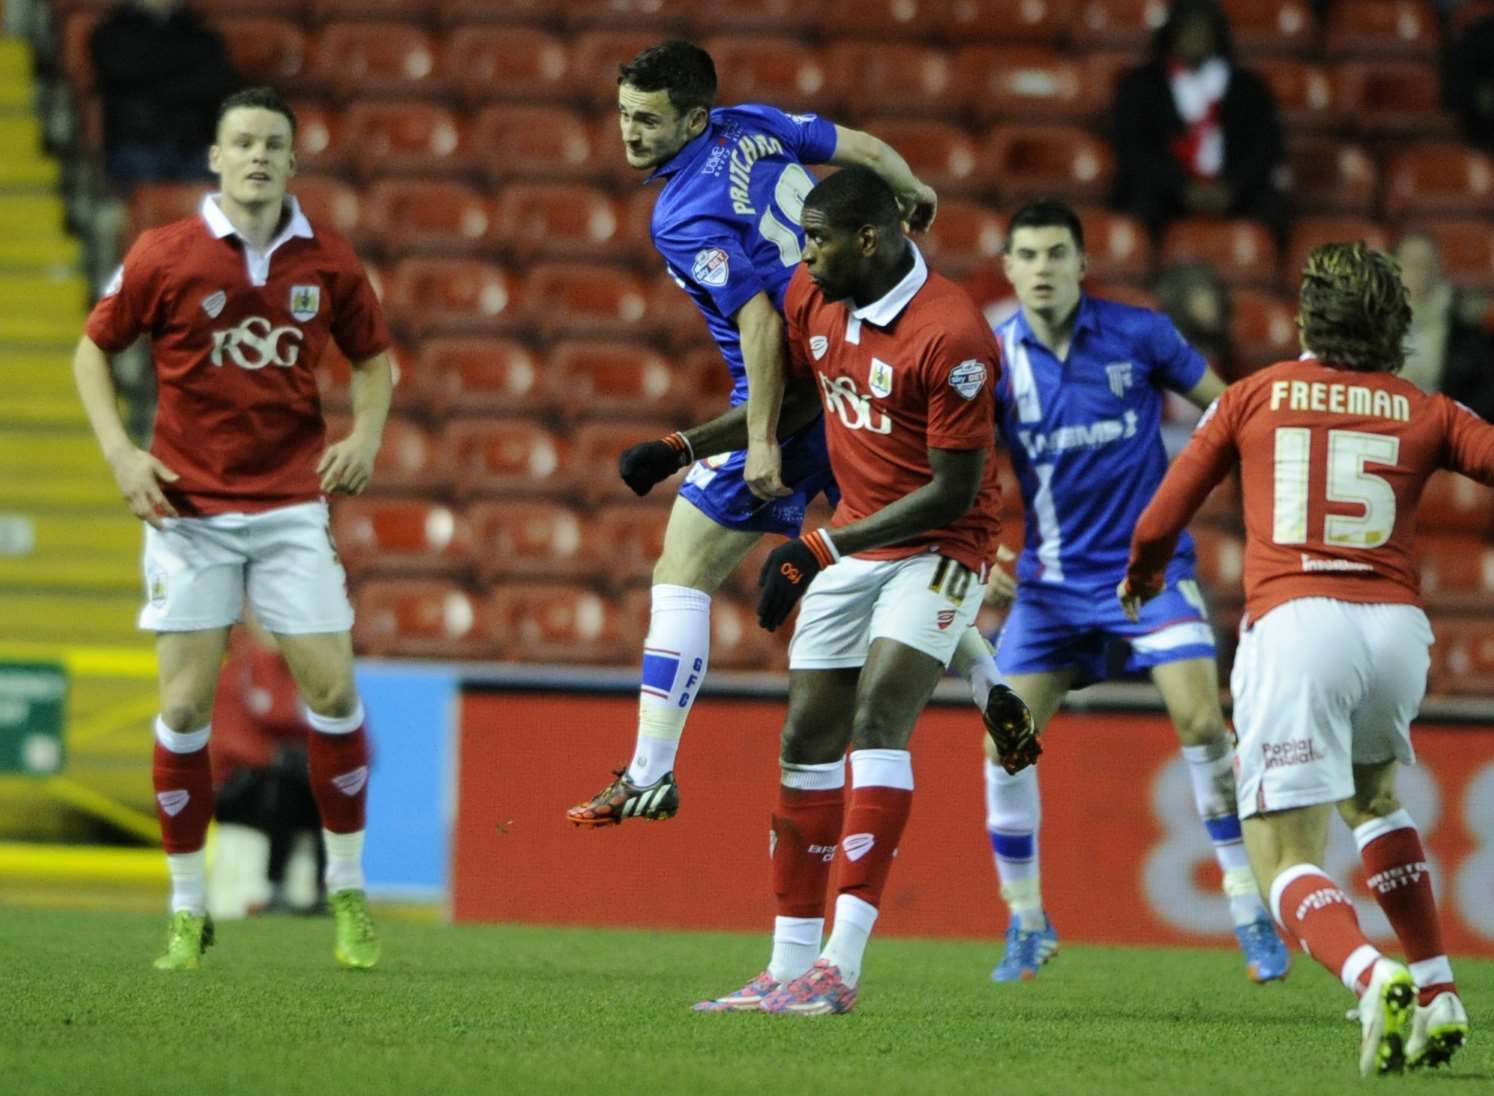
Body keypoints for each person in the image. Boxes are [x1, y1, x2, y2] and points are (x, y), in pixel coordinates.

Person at [567, 40, 1015, 827]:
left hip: (794, 394)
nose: (630, 134)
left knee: (680, 574)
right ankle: (990, 682)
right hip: (860, 369)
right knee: (899, 549)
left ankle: (649, 769)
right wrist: (913, 190)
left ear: (693, 117)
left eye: (648, 120)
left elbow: (760, 322)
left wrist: (765, 438)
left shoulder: (677, 215)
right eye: (624, 117)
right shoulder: (754, 125)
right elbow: (869, 152)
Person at [1121, 241, 1477, 1076]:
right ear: (1393, 324)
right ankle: (1437, 989)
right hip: (1395, 630)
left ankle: (1370, 973)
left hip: (1297, 623)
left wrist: (1141, 575)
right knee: (1375, 798)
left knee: (1280, 855)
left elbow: (1162, 514)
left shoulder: (1254, 394)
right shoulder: (1425, 408)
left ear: (1304, 315)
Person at [695, 165, 1030, 1015]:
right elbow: (800, 399)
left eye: (817, 239)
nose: (803, 256)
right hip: (855, 537)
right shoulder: (815, 297)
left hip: (943, 547)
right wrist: (680, 445)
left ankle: (839, 968)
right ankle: (785, 966)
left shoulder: (952, 336)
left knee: (880, 713)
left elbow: (954, 491)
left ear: (871, 240)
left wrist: (820, 545)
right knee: (807, 736)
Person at [72, 85, 391, 971]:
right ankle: (185, 910)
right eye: (242, 142)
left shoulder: (328, 261)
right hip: (188, 509)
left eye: (273, 144)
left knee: (333, 697)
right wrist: (121, 455)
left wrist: (365, 434)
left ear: (293, 161)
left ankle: (348, 893)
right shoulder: (163, 254)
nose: (257, 156)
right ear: (216, 157)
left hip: (290, 506)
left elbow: (375, 361)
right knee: (181, 708)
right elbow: (94, 349)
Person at [974, 199, 1289, 984]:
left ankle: (1248, 907)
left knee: (1198, 718)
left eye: (1056, 254)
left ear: (1083, 266)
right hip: (1049, 591)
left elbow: (1231, 411)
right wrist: (984, 546)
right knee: (1003, 742)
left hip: (1149, 579)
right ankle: (1026, 921)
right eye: (1028, 255)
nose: (1042, 268)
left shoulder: (1141, 335)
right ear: (1008, 269)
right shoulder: (989, 360)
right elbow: (952, 465)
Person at [1109, 0, 1285, 237]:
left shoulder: (1248, 87)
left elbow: (1266, 148)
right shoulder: (1140, 85)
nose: (1195, 37)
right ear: (1171, 33)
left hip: (1235, 191)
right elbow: (1133, 150)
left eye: (1202, 29)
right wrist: (1182, 188)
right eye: (1188, 29)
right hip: (1164, 194)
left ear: (1217, 33)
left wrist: (1230, 187)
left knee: (1273, 210)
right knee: (1137, 207)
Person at [210, 613, 327, 915]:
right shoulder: (238, 673)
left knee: (319, 786)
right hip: (240, 786)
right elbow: (229, 739)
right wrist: (274, 756)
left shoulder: (311, 674)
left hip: (281, 783)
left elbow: (353, 737)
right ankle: (275, 886)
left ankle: (319, 889)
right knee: (287, 784)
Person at [89, 0, 239, 190]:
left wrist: (152, 81)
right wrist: (184, 76)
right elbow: (121, 71)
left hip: (194, 146)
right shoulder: (111, 34)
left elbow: (214, 83)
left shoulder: (204, 36)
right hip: (137, 144)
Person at [1392, 231, 1494, 420]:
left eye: (1426, 263)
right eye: (1411, 263)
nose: (1420, 271)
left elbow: (1485, 392)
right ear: (1395, 266)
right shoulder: (1373, 324)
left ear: (1439, 267)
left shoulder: (1466, 326)